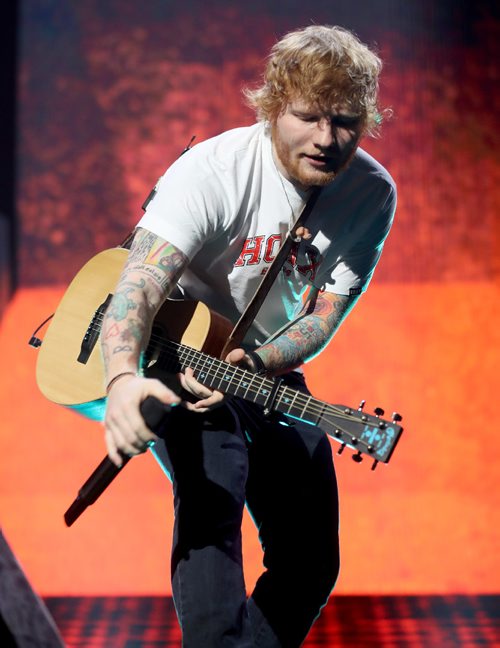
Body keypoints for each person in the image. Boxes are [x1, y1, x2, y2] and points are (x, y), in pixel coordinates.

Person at [101, 24, 396, 647]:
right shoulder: (214, 170)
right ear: (271, 109)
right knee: (217, 480)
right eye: (308, 117)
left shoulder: (371, 193)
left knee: (312, 555)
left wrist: (259, 359)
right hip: (169, 350)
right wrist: (123, 379)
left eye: (344, 121)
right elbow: (139, 287)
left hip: (257, 363)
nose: (326, 139)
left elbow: (322, 316)